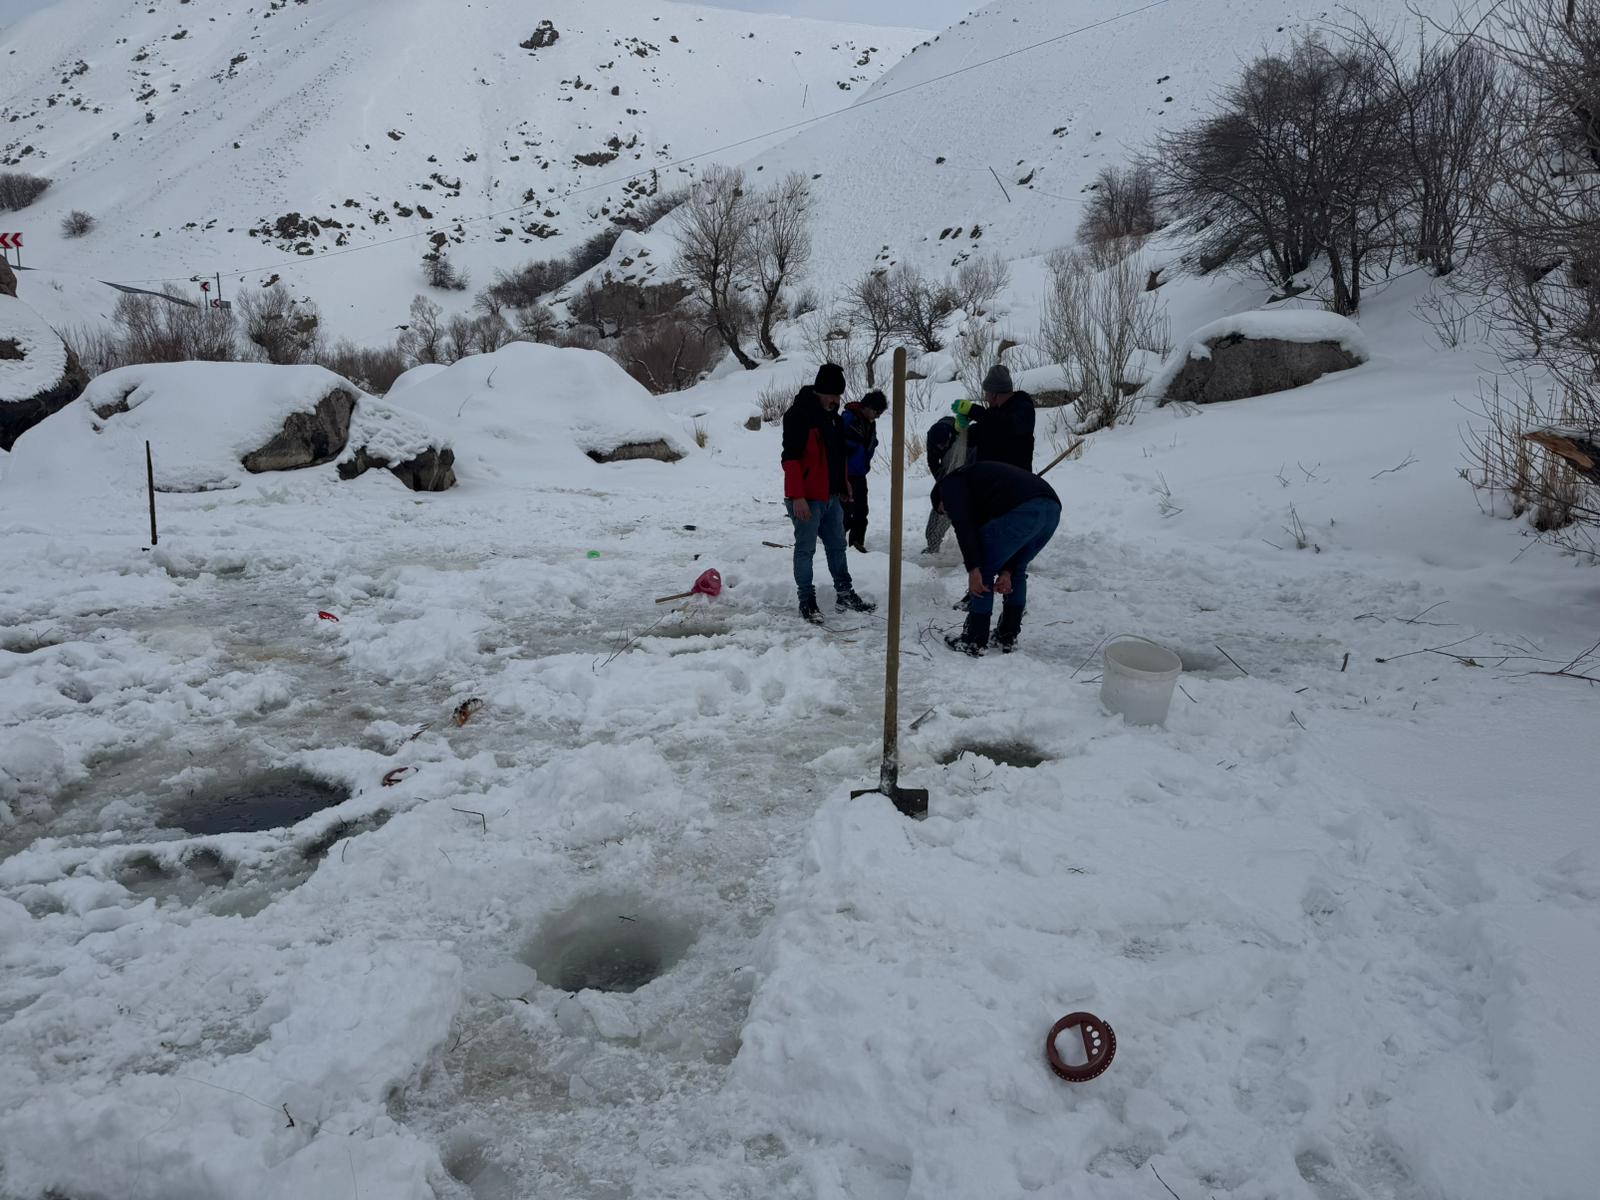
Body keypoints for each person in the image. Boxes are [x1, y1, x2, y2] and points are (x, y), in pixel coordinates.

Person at [930, 461, 1061, 656]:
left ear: (939, 497)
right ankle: (1006, 636)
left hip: (1023, 508)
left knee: (983, 570)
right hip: (1051, 510)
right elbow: (1004, 539)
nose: (948, 514)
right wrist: (1006, 570)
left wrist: (974, 568)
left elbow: (964, 527)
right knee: (1016, 570)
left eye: (945, 510)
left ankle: (974, 641)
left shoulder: (949, 485)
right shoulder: (977, 487)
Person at [782, 364, 878, 623]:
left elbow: (838, 456)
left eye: (839, 396)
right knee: (805, 550)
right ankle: (807, 600)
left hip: (831, 497)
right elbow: (789, 459)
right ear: (820, 391)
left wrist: (843, 484)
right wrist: (797, 496)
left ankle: (844, 593)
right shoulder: (798, 415)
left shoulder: (833, 418)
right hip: (806, 498)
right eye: (833, 395)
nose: (837, 401)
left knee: (837, 547)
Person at [953, 363, 1036, 472]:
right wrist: (960, 429)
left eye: (986, 394)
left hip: (1015, 482)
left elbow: (1006, 426)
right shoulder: (993, 413)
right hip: (991, 481)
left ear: (994, 394)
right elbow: (977, 434)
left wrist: (973, 410)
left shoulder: (1023, 409)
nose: (986, 398)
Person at [841, 389, 888, 552]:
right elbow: (836, 446)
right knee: (845, 515)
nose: (878, 416)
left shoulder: (870, 424)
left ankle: (856, 546)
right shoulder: (847, 418)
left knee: (861, 513)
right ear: (867, 407)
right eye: (877, 412)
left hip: (860, 475)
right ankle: (835, 544)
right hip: (844, 475)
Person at [922, 413, 974, 555]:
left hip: (969, 473)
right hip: (947, 473)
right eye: (939, 445)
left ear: (950, 436)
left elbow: (974, 461)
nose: (941, 447)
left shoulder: (963, 434)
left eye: (944, 444)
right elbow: (933, 464)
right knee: (940, 512)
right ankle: (933, 545)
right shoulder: (933, 438)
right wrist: (943, 487)